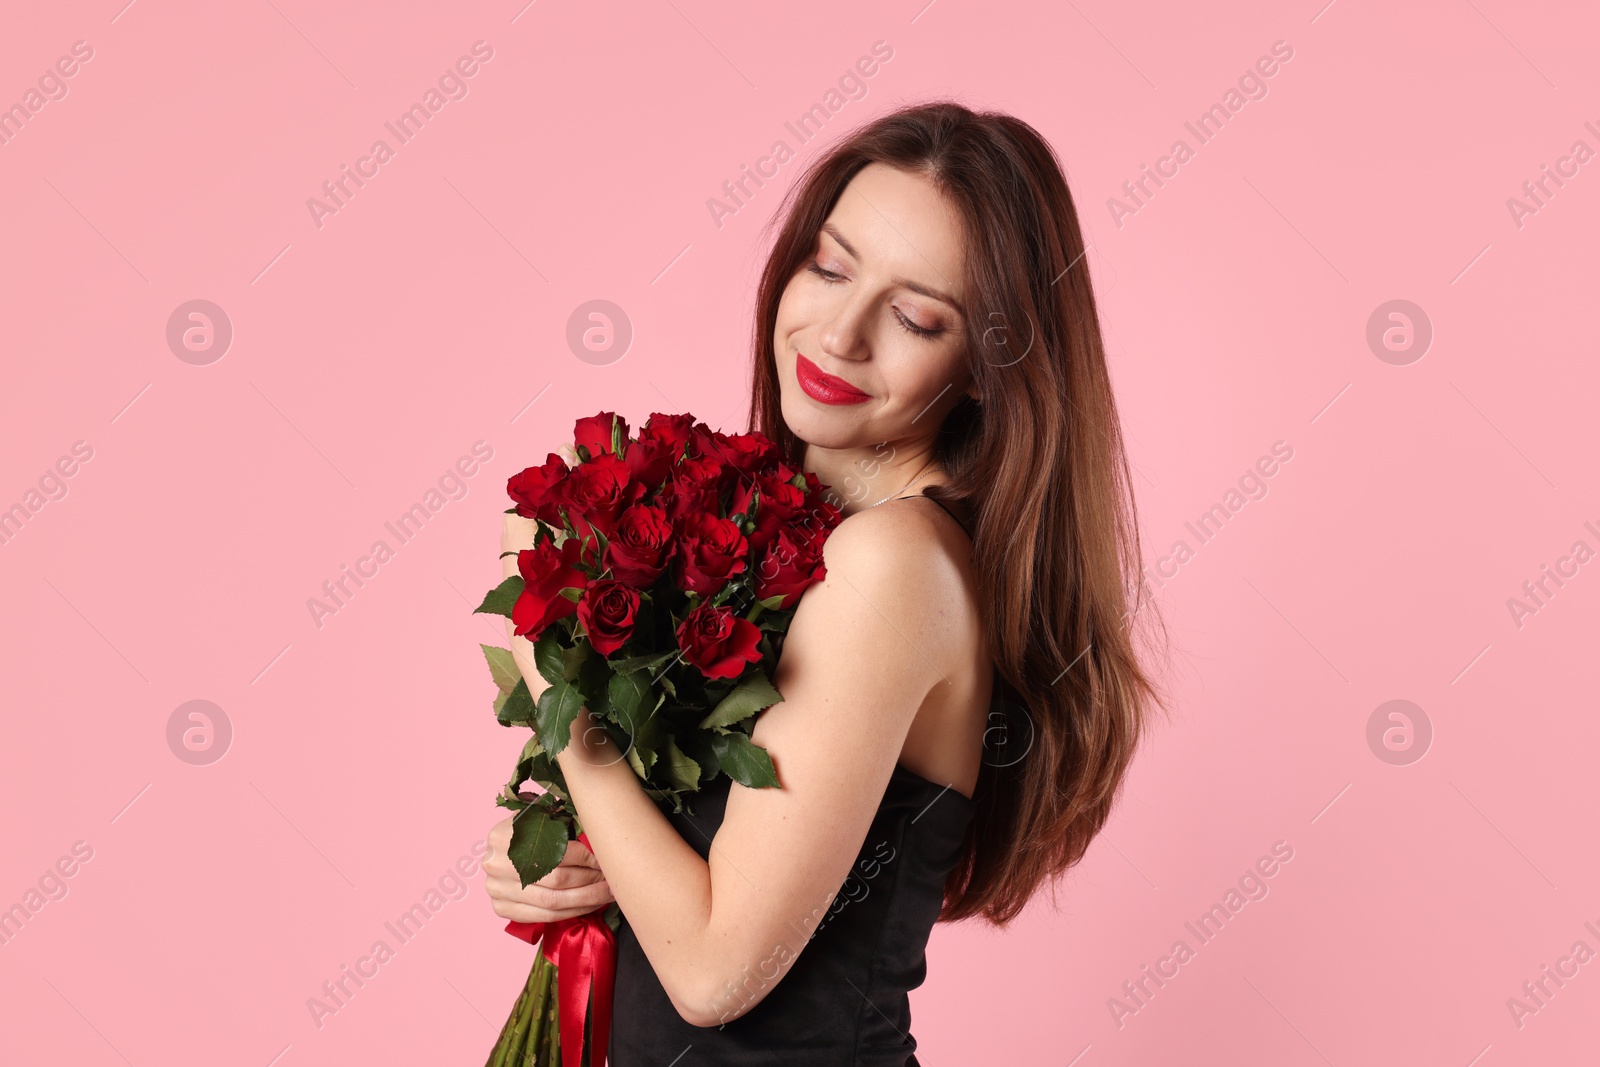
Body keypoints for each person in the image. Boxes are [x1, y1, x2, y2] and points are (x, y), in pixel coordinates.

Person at [484, 100, 1167, 1063]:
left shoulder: (890, 563)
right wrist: (561, 864)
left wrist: (554, 671)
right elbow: (694, 870)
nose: (840, 333)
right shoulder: (797, 536)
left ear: (985, 365)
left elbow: (715, 971)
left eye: (917, 316)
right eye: (831, 266)